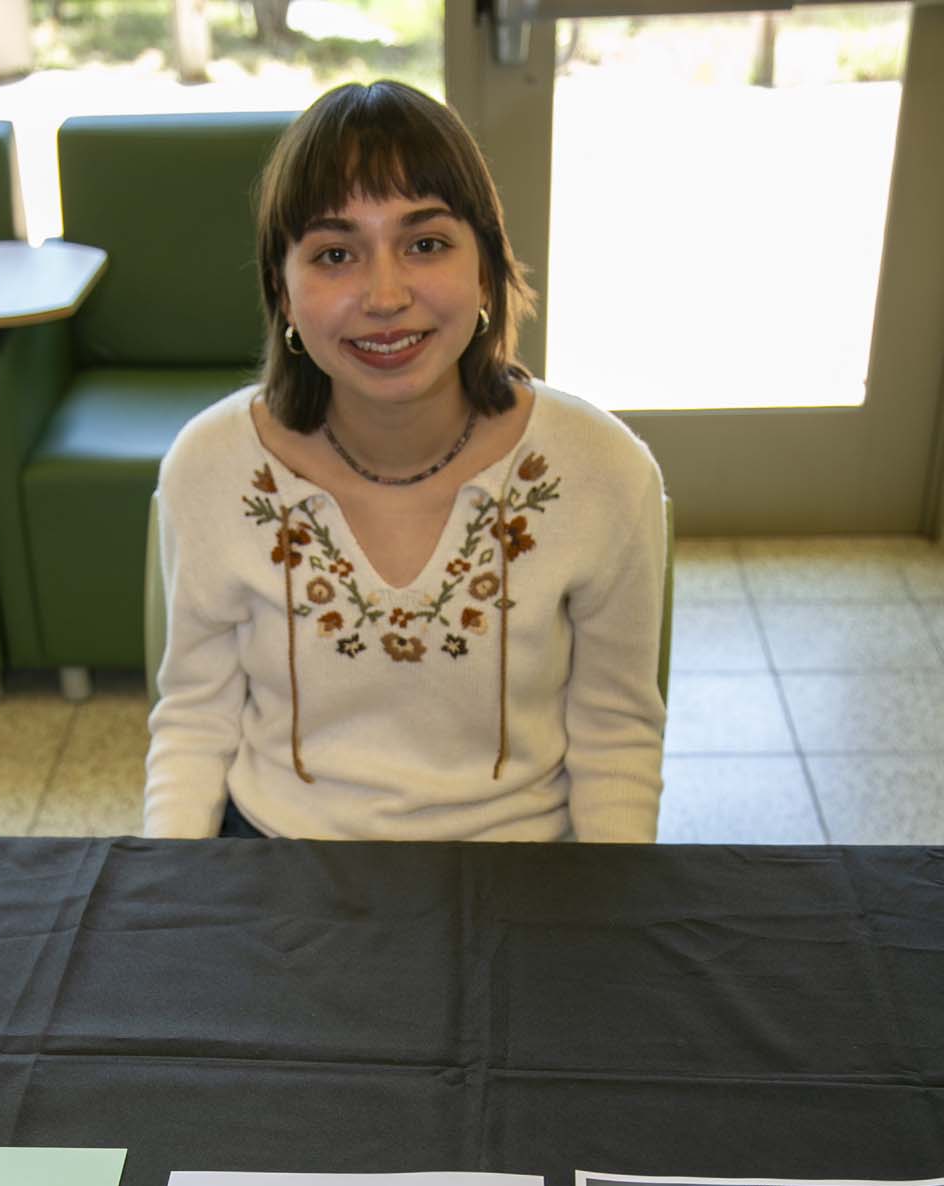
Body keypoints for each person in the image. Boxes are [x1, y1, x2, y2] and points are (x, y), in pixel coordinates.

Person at [143, 80, 666, 843]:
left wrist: (608, 909)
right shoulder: (210, 465)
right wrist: (165, 893)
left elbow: (616, 737)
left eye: (425, 244)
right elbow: (194, 721)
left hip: (525, 869)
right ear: (282, 292)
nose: (385, 296)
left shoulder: (604, 470)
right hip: (277, 860)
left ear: (485, 267)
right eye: (335, 254)